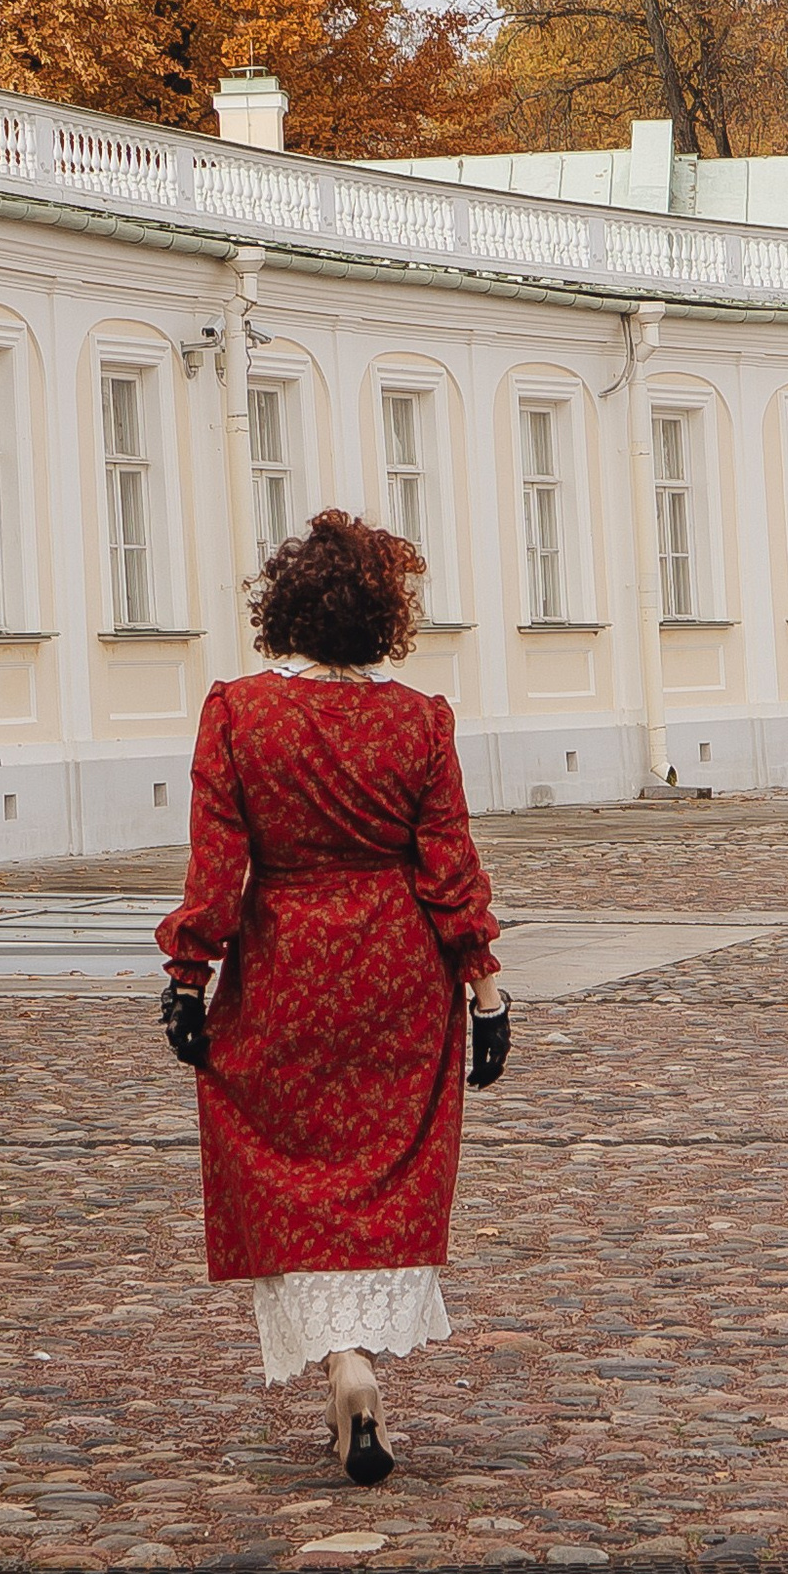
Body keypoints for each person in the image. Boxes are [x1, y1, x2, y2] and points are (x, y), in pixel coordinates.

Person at [155, 507, 509, 1484]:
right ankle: (363, 1359)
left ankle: (340, 1362)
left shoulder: (239, 712)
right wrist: (485, 987)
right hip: (398, 971)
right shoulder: (418, 719)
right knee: (385, 1174)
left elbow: (217, 865)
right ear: (384, 619)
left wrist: (189, 976)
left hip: (282, 966)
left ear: (286, 609)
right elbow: (449, 866)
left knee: (283, 1169)